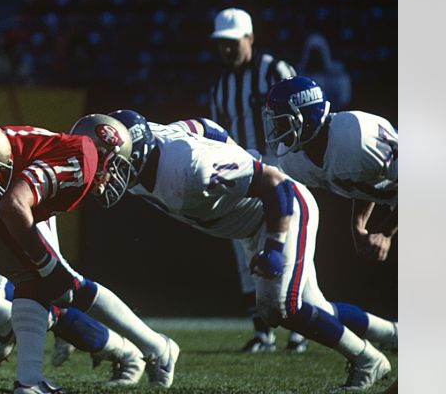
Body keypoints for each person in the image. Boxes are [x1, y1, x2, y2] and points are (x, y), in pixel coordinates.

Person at [99, 110, 396, 391]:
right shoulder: (151, 146)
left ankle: (368, 360)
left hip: (282, 208)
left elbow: (275, 184)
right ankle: (392, 334)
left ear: (135, 153)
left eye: (113, 164)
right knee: (316, 309)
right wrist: (233, 152)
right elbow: (204, 126)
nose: (109, 174)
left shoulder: (190, 167)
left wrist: (276, 247)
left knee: (280, 307)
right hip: (252, 224)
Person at [0, 117, 177, 392]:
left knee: (50, 282)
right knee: (35, 282)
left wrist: (44, 266)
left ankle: (144, 349)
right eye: (116, 165)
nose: (113, 175)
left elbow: (15, 202)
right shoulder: (82, 157)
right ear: (106, 153)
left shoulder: (77, 152)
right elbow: (15, 204)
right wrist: (44, 263)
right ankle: (153, 346)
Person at [206, 6, 306, 353]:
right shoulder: (220, 85)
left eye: (233, 42)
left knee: (290, 246)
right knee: (244, 249)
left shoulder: (274, 70)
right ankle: (263, 331)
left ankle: (299, 328)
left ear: (250, 38)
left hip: (280, 167)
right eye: (222, 43)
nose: (227, 49)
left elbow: (304, 116)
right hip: (242, 175)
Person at [263, 77, 397, 261]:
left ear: (307, 119)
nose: (278, 132)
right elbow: (361, 177)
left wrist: (386, 232)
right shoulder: (292, 161)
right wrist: (358, 224)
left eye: (283, 123)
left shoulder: (356, 135)